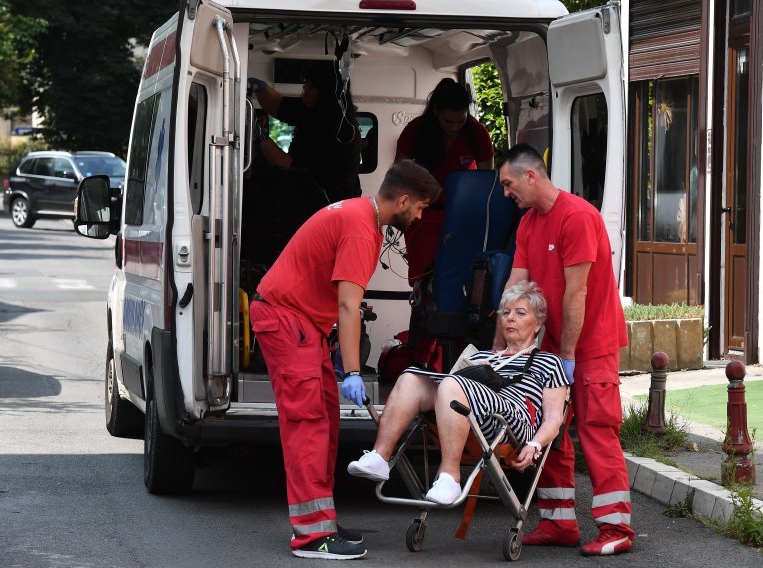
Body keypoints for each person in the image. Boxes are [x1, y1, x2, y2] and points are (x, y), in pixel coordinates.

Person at [249, 160, 440, 560]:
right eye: (420, 208)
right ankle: (311, 537)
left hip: (299, 323)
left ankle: (321, 520)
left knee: (324, 420)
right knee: (308, 426)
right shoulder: (360, 230)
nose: (420, 216)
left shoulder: (357, 216)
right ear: (402, 200)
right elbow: (348, 307)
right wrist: (353, 370)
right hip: (288, 321)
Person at [496, 144, 633, 556]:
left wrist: (568, 356)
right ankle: (559, 523)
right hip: (552, 346)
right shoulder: (528, 225)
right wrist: (500, 348)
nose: (506, 193)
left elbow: (578, 293)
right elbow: (514, 291)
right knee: (549, 432)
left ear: (531, 176)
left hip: (590, 345)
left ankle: (617, 529)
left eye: (508, 184)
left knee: (597, 431)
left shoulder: (577, 217)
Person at [347, 280, 568, 505]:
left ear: (538, 323)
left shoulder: (548, 362)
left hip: (510, 424)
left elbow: (554, 418)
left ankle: (450, 477)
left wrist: (535, 444)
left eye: (520, 313)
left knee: (453, 383)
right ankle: (380, 456)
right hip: (468, 413)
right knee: (410, 378)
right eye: (506, 312)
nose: (510, 318)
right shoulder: (480, 356)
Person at [396, 78, 495, 285]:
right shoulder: (416, 131)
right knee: (423, 275)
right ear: (436, 112)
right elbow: (400, 174)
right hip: (424, 214)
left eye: (461, 121)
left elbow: (487, 182)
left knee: (459, 274)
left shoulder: (478, 134)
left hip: (462, 215)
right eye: (448, 121)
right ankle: (421, 313)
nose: (455, 127)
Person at [248, 61, 361, 204]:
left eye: (311, 86)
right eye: (306, 82)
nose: (304, 87)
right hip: (316, 198)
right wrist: (260, 87)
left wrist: (261, 138)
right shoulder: (312, 108)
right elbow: (279, 105)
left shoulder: (337, 131)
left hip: (330, 204)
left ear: (326, 94)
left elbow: (292, 166)